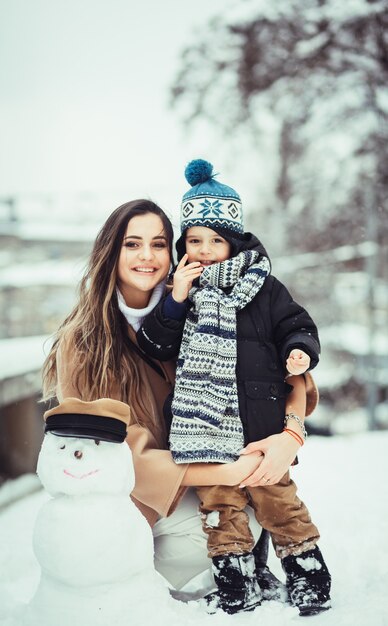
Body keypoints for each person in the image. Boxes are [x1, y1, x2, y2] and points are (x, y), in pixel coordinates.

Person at [42, 198, 297, 599]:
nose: (147, 256)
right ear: (111, 252)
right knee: (227, 521)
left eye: (159, 244)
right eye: (132, 244)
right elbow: (104, 454)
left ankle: (237, 571)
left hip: (208, 477)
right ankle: (141, 587)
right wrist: (224, 473)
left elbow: (284, 370)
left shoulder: (203, 303)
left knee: (261, 503)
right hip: (140, 501)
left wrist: (290, 436)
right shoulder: (84, 341)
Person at [137, 161, 332, 616]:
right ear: (183, 246)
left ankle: (308, 577)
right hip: (202, 428)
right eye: (194, 240)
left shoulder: (263, 289)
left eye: (216, 240)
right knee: (219, 510)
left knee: (279, 503)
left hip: (260, 426)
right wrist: (176, 299)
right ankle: (236, 582)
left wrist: (300, 350)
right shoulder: (178, 294)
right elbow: (154, 345)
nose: (205, 251)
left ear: (234, 242)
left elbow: (296, 324)